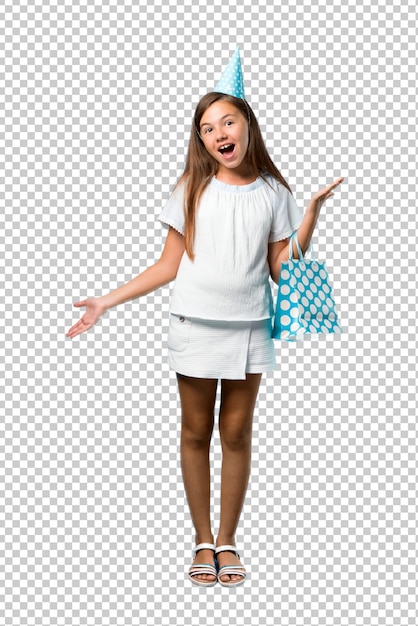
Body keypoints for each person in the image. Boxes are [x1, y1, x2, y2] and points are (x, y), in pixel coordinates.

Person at [66, 48, 344, 587]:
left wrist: (309, 216)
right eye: (206, 127)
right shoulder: (190, 190)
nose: (218, 132)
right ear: (201, 140)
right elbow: (168, 265)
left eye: (227, 121)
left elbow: (284, 273)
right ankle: (200, 539)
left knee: (236, 433)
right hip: (193, 325)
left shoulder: (274, 193)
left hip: (248, 330)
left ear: (247, 126)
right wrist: (106, 300)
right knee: (196, 431)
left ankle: (228, 542)